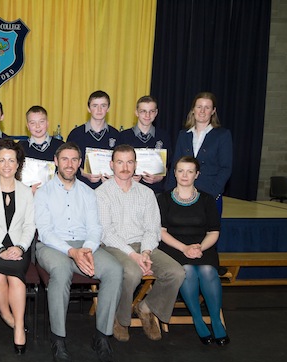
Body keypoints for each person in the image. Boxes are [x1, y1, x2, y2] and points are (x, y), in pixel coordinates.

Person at [35, 142, 123, 362]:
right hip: (52, 246)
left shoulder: (87, 192)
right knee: (62, 271)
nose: (69, 164)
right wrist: (71, 252)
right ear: (56, 161)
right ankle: (59, 340)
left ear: (80, 163)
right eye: (65, 159)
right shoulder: (43, 192)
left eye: (74, 159)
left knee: (114, 270)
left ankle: (102, 337)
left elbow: (95, 227)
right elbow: (44, 231)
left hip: (85, 246)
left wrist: (87, 249)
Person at [96, 144, 185, 342]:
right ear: (112, 165)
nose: (125, 167)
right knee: (132, 272)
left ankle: (146, 308)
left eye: (129, 162)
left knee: (176, 273)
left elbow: (152, 228)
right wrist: (134, 255)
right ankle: (121, 318)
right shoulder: (102, 193)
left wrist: (145, 252)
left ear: (135, 165)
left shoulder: (146, 193)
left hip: (144, 245)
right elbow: (106, 233)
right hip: (114, 247)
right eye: (120, 162)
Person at [158, 156, 229, 346]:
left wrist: (199, 248)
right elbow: (161, 232)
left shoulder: (207, 199)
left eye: (190, 171)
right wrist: (184, 248)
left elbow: (214, 231)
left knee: (207, 270)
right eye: (180, 170)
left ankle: (216, 320)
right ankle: (198, 319)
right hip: (174, 247)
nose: (185, 175)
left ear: (197, 174)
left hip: (202, 246)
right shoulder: (163, 199)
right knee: (187, 270)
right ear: (174, 173)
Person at [0, 139, 35, 354]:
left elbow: (30, 225)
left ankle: (18, 325)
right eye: (2, 160)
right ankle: (6, 314)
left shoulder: (26, 191)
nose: (7, 164)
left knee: (16, 277)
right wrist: (0, 249)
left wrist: (20, 247)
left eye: (11, 160)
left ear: (18, 164)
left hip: (20, 246)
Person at [167, 92, 233, 214]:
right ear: (193, 110)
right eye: (199, 107)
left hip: (209, 196)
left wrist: (213, 193)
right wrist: (168, 194)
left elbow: (226, 168)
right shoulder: (183, 135)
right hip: (182, 196)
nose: (202, 111)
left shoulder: (222, 135)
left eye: (207, 107)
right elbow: (174, 166)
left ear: (213, 111)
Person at [117, 95, 171, 193]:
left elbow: (168, 164)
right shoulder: (123, 136)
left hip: (156, 191)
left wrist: (160, 176)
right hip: (129, 190)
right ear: (136, 112)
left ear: (156, 113)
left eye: (151, 111)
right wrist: (128, 175)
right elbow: (117, 164)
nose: (147, 115)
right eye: (143, 111)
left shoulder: (164, 136)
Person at [67, 90, 119, 189]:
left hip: (109, 190)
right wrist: (83, 173)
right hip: (80, 189)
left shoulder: (116, 135)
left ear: (108, 108)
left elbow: (120, 162)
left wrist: (113, 176)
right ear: (89, 108)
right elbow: (67, 162)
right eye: (95, 106)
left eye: (103, 105)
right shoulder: (75, 134)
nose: (99, 110)